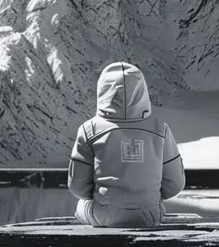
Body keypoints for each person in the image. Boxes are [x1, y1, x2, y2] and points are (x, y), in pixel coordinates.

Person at [68, 60, 185, 228]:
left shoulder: (89, 130)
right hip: (150, 215)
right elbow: (175, 185)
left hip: (103, 214)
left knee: (81, 205)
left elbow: (77, 187)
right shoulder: (161, 129)